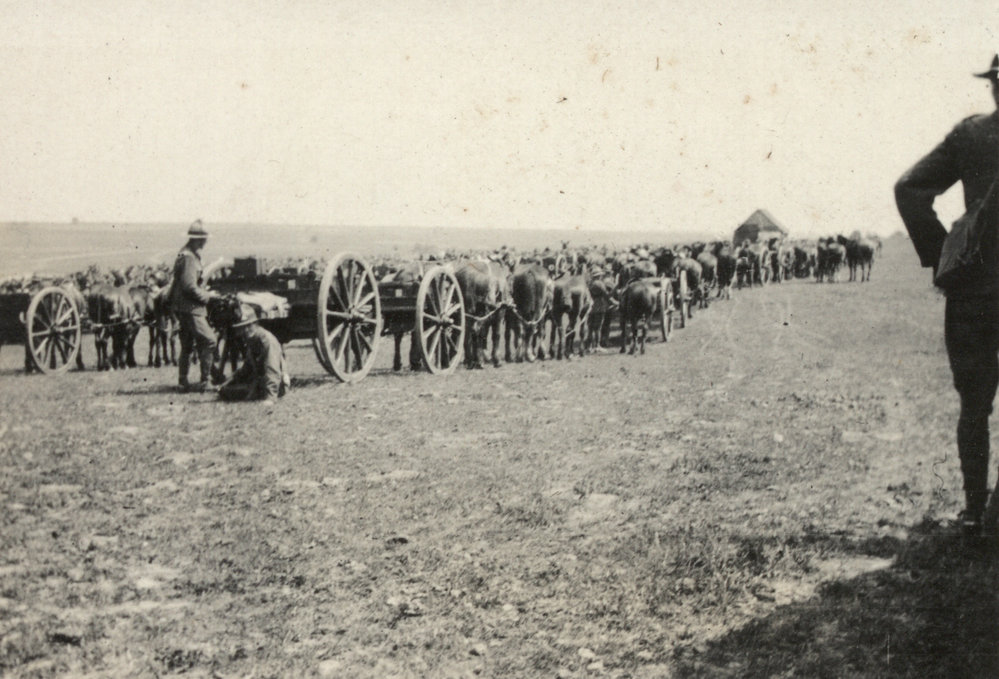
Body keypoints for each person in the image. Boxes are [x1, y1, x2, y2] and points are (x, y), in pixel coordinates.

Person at [894, 54, 999, 537]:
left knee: (974, 406)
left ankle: (975, 511)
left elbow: (909, 189)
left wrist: (944, 261)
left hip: (974, 290)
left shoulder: (971, 134)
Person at [172, 220, 217, 392]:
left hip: (184, 307)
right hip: (192, 308)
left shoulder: (187, 254)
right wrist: (208, 296)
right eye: (204, 239)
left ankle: (182, 381)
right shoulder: (189, 258)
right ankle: (205, 381)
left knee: (187, 345)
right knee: (210, 341)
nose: (206, 242)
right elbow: (189, 286)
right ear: (197, 239)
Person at [217, 304, 290, 404]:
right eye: (242, 328)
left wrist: (271, 397)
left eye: (249, 326)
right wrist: (229, 381)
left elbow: (272, 369)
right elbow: (246, 368)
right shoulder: (253, 340)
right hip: (259, 381)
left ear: (255, 324)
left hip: (277, 385)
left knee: (233, 392)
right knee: (225, 391)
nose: (245, 330)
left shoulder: (266, 341)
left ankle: (265, 393)